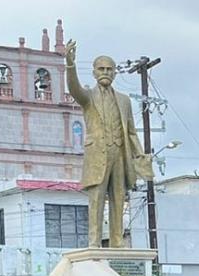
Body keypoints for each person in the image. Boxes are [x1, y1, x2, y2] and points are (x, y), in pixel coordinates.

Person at [64, 39, 152, 248]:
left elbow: (131, 131)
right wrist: (70, 64)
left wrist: (139, 154)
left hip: (119, 155)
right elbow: (74, 87)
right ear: (94, 72)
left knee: (119, 198)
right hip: (97, 155)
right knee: (96, 199)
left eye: (109, 69)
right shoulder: (88, 96)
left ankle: (117, 240)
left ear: (114, 73)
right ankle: (94, 242)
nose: (105, 72)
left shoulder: (124, 100)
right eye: (101, 69)